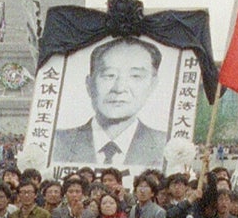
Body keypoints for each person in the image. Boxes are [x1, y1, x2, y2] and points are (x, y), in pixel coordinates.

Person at [48, 39, 169, 170]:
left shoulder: (167, 146)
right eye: (109, 75)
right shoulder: (56, 143)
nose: (119, 88)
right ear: (89, 84)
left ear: (152, 85)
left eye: (135, 76)